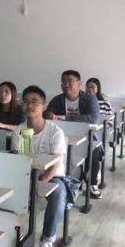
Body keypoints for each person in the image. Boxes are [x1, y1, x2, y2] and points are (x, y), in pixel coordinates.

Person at [12, 85, 67, 247]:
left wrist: (38, 184)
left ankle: (47, 241)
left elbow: (55, 164)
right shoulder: (20, 130)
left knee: (58, 195)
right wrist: (26, 183)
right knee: (8, 192)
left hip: (52, 176)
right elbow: (21, 161)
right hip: (27, 174)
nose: (29, 105)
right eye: (26, 101)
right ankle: (16, 234)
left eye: (34, 101)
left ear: (44, 107)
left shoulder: (55, 131)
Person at [44, 70, 103, 199]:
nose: (66, 84)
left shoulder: (90, 99)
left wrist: (65, 117)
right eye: (63, 81)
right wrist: (50, 114)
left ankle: (93, 183)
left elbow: (92, 118)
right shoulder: (58, 99)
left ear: (79, 83)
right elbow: (47, 113)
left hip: (86, 136)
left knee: (93, 150)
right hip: (63, 137)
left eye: (70, 81)